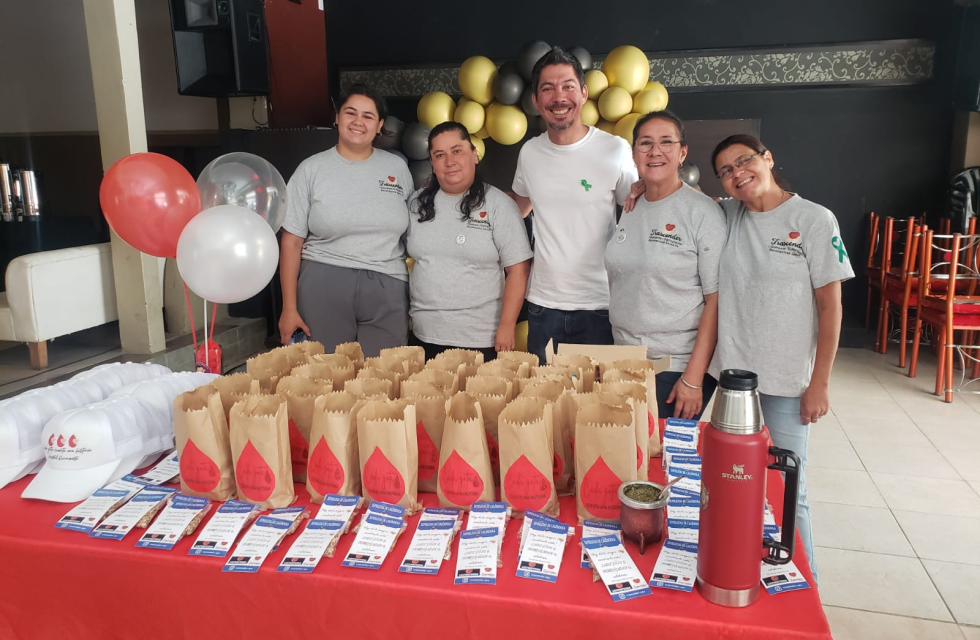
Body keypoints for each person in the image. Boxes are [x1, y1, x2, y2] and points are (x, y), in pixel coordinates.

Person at [711, 134, 854, 583]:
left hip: (789, 382)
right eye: (726, 171)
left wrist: (820, 383)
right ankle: (739, 566)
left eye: (744, 161)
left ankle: (802, 590)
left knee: (790, 488)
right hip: (733, 383)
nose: (737, 174)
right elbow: (679, 194)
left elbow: (831, 307)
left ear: (767, 158)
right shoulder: (727, 215)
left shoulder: (813, 219)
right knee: (734, 482)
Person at [509, 47, 638, 364]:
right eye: (547, 88)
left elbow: (638, 210)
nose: (558, 97)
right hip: (543, 305)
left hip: (600, 304)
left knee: (600, 408)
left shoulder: (615, 149)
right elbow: (516, 209)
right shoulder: (530, 153)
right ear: (537, 102)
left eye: (567, 86)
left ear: (583, 93)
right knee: (545, 406)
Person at [606, 111, 726, 420]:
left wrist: (693, 377)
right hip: (624, 361)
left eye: (666, 142)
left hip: (675, 369)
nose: (655, 151)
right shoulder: (632, 205)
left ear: (682, 152)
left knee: (667, 463)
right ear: (634, 154)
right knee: (630, 461)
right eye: (645, 143)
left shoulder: (702, 213)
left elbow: (716, 300)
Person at [278, 84, 413, 356]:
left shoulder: (397, 168)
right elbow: (291, 241)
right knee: (327, 381)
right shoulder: (311, 169)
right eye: (350, 113)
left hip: (388, 284)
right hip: (324, 281)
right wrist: (288, 308)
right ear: (337, 118)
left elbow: (413, 232)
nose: (358, 122)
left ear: (379, 126)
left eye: (368, 116)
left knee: (385, 379)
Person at [406, 122, 532, 362]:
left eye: (457, 151)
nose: (449, 161)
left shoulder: (499, 205)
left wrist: (507, 326)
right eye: (439, 155)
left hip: (480, 339)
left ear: (474, 154)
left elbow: (519, 270)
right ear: (432, 163)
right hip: (424, 336)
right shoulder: (415, 204)